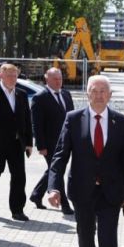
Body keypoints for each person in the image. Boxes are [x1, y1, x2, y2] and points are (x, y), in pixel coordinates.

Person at [47, 75, 124, 247]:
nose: (98, 95)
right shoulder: (73, 119)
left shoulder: (121, 122)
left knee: (108, 241)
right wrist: (53, 187)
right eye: (94, 91)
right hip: (82, 191)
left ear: (110, 95)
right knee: (85, 236)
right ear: (87, 94)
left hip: (111, 193)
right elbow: (60, 156)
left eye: (103, 91)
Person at [0, 62, 34, 221]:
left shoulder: (21, 94)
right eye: (10, 75)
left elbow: (27, 118)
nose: (13, 78)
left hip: (17, 143)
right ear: (1, 75)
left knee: (19, 176)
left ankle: (17, 210)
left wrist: (29, 141)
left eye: (15, 75)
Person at [30, 67, 75, 215]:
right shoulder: (40, 98)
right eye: (55, 79)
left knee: (52, 171)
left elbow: (72, 119)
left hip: (66, 143)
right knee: (58, 172)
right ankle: (64, 204)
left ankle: (37, 194)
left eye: (60, 78)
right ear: (47, 79)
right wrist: (41, 145)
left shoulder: (66, 95)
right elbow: (37, 124)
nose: (58, 81)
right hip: (49, 145)